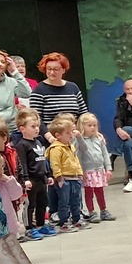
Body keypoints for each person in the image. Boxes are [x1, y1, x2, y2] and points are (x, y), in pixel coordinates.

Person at [29, 53, 87, 140]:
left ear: (63, 70)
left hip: (74, 137)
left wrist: (91, 131)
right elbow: (36, 118)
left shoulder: (73, 87)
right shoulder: (39, 89)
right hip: (52, 138)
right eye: (49, 69)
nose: (52, 72)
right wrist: (49, 137)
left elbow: (83, 113)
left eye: (56, 69)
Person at [15, 110, 53, 238]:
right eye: (33, 126)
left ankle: (41, 225)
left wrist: (48, 175)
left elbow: (44, 161)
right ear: (22, 129)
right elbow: (23, 164)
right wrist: (25, 179)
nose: (37, 129)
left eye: (37, 126)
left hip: (41, 179)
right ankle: (29, 228)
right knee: (30, 205)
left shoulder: (38, 142)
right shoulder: (22, 145)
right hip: (31, 180)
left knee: (42, 203)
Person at [47, 115, 86, 231]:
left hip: (75, 178)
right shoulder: (56, 149)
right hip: (64, 179)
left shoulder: (71, 146)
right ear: (58, 135)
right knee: (64, 202)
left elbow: (75, 160)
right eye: (67, 133)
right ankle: (63, 222)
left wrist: (79, 173)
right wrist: (59, 178)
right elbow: (55, 164)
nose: (71, 135)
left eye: (71, 132)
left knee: (75, 201)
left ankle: (76, 219)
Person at [75, 112, 115, 222]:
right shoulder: (79, 140)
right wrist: (81, 170)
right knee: (89, 193)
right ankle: (91, 212)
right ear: (82, 126)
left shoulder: (99, 138)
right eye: (89, 125)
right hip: (88, 171)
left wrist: (108, 168)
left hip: (99, 170)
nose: (92, 128)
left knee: (100, 192)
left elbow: (105, 154)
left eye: (94, 125)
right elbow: (78, 156)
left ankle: (104, 210)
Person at [0, 49, 30, 133]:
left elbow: (27, 93)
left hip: (13, 129)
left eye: (3, 62)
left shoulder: (11, 82)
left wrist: (15, 72)